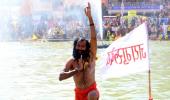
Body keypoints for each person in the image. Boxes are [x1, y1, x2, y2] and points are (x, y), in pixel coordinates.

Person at [59, 3, 99, 100]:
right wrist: (77, 70)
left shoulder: (91, 56)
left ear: (87, 48)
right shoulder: (72, 62)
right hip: (79, 94)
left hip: (92, 91)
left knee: (91, 95)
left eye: (83, 46)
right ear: (75, 47)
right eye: (78, 46)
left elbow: (93, 38)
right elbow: (60, 77)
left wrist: (90, 17)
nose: (80, 48)